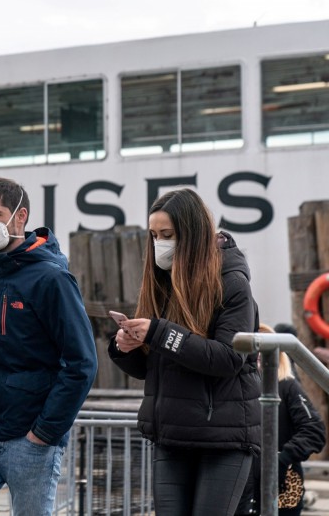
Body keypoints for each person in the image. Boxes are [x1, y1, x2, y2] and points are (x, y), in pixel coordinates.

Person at [0, 177, 98, 516]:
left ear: (20, 216)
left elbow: (81, 362)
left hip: (31, 437)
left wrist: (45, 432)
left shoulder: (52, 279)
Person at [108, 187, 261, 515]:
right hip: (172, 436)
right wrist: (127, 348)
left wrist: (160, 332)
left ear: (192, 234)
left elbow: (229, 357)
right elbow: (157, 368)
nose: (159, 243)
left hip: (224, 439)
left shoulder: (232, 282)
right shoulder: (162, 284)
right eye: (153, 235)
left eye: (167, 234)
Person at [235, 324, 326, 515]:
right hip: (241, 484)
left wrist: (282, 459)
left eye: (263, 349)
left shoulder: (287, 386)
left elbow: (314, 429)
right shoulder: (234, 389)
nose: (259, 354)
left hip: (283, 484)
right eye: (254, 349)